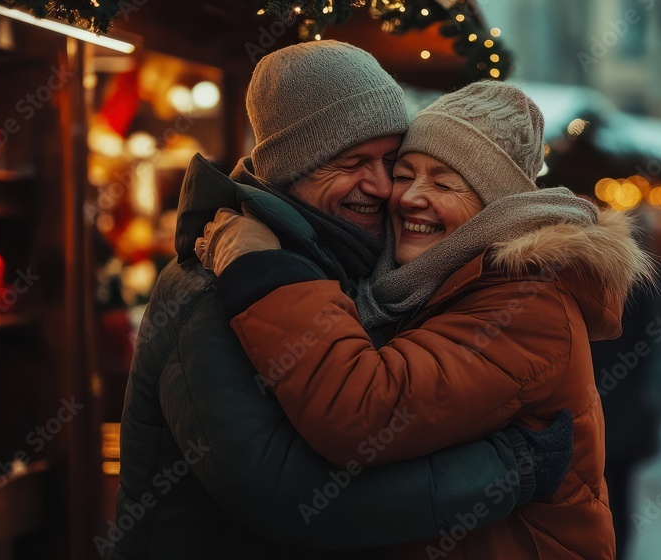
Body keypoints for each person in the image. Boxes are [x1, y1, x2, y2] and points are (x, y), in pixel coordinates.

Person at [111, 42, 572, 560]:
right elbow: (289, 495)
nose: (382, 188)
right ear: (292, 168)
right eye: (353, 162)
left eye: (390, 161)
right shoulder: (217, 287)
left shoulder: (359, 268)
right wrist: (506, 469)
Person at [199, 81, 655, 559]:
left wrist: (261, 270)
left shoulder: (525, 303)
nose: (409, 197)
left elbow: (364, 411)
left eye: (443, 182)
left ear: (494, 207)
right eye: (406, 173)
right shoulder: (429, 284)